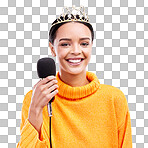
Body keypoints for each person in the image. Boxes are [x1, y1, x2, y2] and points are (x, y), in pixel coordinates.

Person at [17, 5, 132, 148]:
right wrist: (35, 109)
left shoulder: (114, 98)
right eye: (65, 44)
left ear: (91, 46)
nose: (76, 51)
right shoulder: (35, 99)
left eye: (84, 43)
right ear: (53, 49)